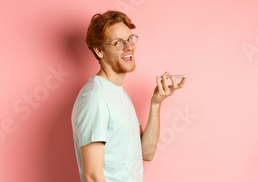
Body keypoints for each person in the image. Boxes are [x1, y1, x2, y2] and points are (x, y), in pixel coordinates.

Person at [71, 10, 186, 182]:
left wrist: (156, 103)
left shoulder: (120, 94)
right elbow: (92, 176)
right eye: (118, 43)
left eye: (130, 39)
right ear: (99, 50)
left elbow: (146, 152)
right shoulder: (95, 98)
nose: (129, 47)